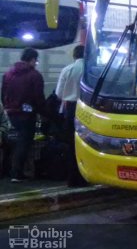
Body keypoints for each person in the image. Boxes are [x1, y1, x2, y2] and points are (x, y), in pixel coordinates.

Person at [1, 48, 46, 182]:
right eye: (36, 60)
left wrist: (8, 107)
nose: (36, 63)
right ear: (32, 59)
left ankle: (9, 170)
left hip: (11, 112)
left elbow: (3, 94)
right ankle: (17, 173)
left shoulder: (8, 74)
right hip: (27, 114)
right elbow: (38, 98)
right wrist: (43, 112)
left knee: (13, 141)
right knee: (24, 142)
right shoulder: (35, 75)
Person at [55, 45, 88, 187]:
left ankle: (72, 178)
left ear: (74, 56)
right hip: (87, 109)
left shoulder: (67, 70)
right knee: (86, 143)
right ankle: (84, 175)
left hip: (70, 109)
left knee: (71, 145)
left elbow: (59, 94)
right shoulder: (90, 70)